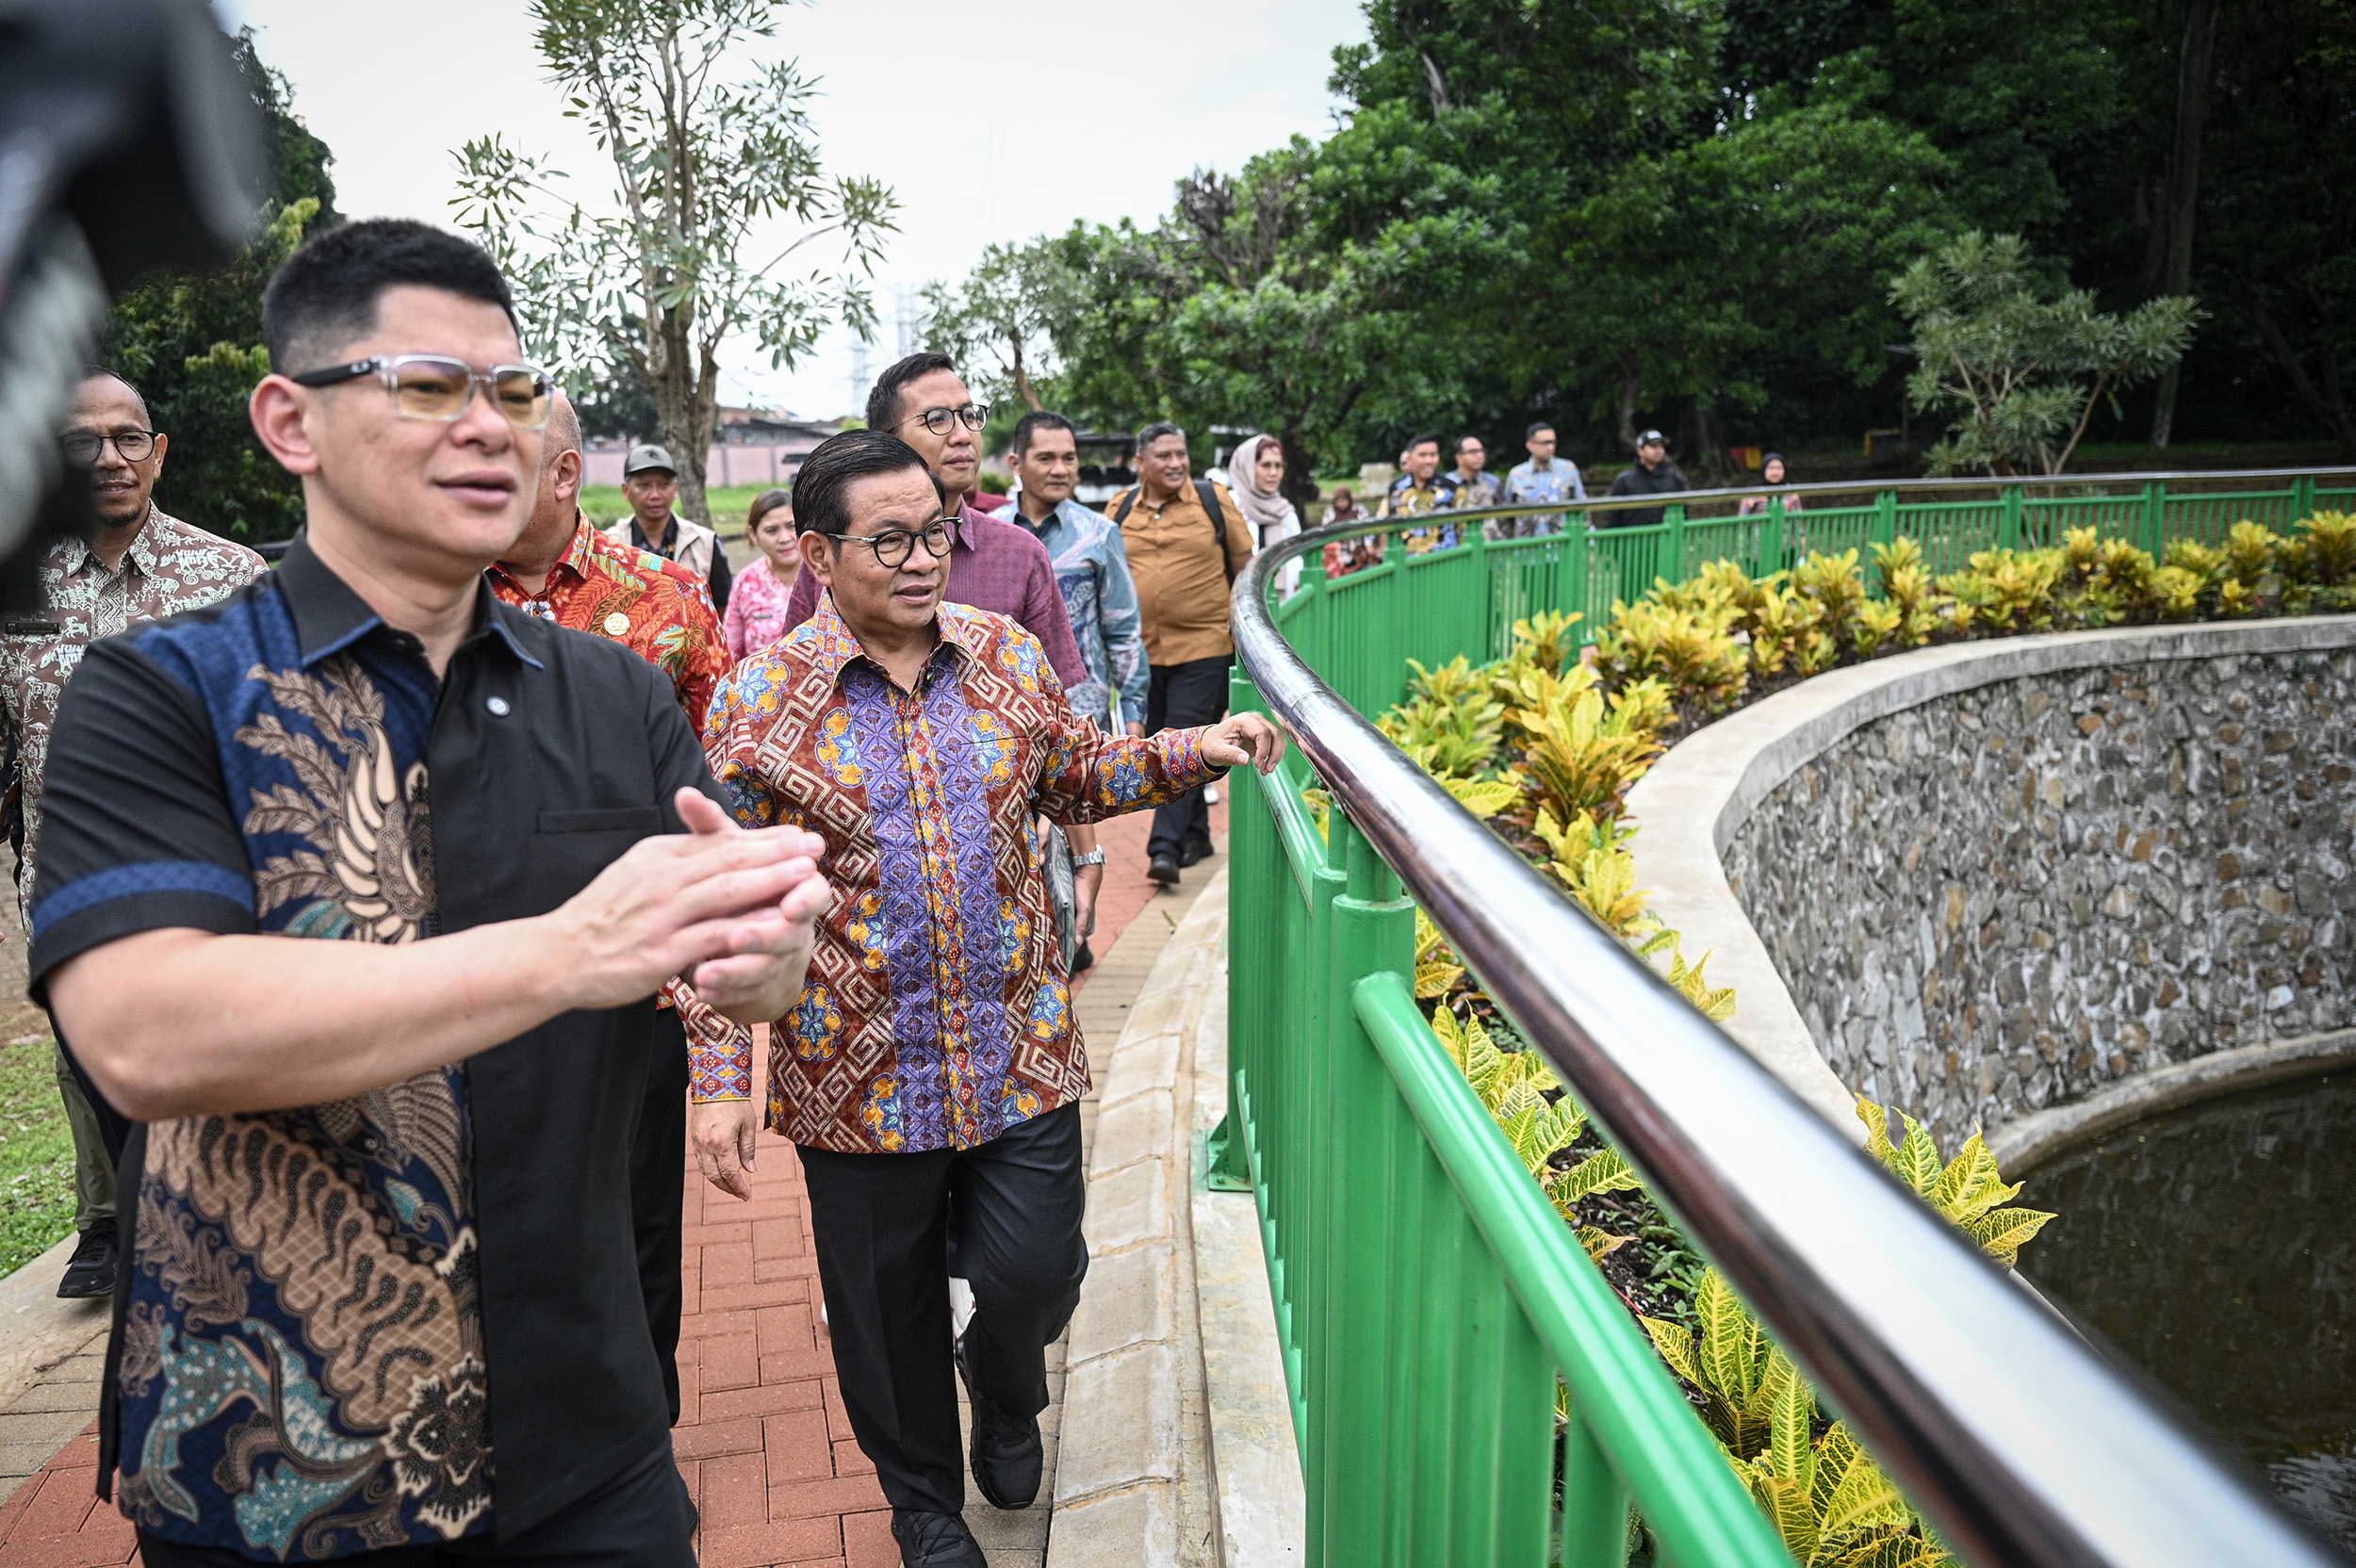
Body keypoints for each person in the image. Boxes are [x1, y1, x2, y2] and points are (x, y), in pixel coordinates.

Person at [33, 218, 827, 1564]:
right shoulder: (162, 691)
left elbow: (739, 950)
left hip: (593, 1436)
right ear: (292, 422)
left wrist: (763, 963)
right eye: (427, 386)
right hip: (280, 1464)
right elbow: (143, 1032)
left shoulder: (614, 693)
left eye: (513, 391)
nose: (491, 426)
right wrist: (575, 948)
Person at [700, 429, 1286, 1568]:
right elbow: (720, 907)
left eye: (936, 533)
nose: (923, 559)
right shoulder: (759, 701)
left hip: (1017, 1046)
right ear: (818, 554)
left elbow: (1072, 771)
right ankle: (923, 1504)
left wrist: (1195, 748)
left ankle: (1007, 1386)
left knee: (1035, 1271)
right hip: (853, 1082)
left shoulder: (1004, 654)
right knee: (884, 1318)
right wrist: (721, 1081)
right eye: (891, 540)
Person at [485, 387, 739, 1429]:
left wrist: (714, 1023)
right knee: (502, 1218)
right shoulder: (433, 599)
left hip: (641, 981)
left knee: (637, 1217)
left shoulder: (670, 598)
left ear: (558, 474)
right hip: (485, 975)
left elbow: (716, 804)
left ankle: (643, 1432)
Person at [0, 369, 266, 1301]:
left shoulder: (233, 577)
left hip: (211, 888)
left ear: (158, 453)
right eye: (84, 442)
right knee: (100, 1076)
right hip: (69, 888)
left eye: (127, 438)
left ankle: (221, 1252)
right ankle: (128, 1241)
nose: (108, 458)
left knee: (216, 1078)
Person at [780, 353, 1088, 694]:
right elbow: (797, 676)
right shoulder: (841, 553)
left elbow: (1053, 700)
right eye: (937, 419)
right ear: (886, 438)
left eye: (969, 416)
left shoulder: (1020, 554)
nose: (963, 435)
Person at [1001, 412, 1149, 970]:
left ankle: (1072, 930)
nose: (1060, 469)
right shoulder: (986, 534)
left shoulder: (1098, 534)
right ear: (1016, 463)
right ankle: (1031, 937)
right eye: (1046, 458)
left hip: (1079, 707)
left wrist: (1133, 710)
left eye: (1069, 458)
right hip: (1005, 710)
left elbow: (1123, 628)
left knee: (1074, 827)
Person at [1104, 422, 1253, 888]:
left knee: (1184, 737)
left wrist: (1242, 630)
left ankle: (1163, 847)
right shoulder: (1120, 508)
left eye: (1181, 454)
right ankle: (1197, 836)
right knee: (1160, 738)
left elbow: (1244, 563)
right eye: (1164, 456)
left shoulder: (1213, 500)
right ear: (1140, 463)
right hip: (1143, 654)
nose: (1175, 463)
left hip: (1205, 644)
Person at [608, 442, 733, 615]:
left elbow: (723, 605)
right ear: (626, 491)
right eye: (644, 486)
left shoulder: (705, 542)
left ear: (675, 489)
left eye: (664, 485)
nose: (655, 495)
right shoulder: (609, 545)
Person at [724, 486, 800, 659]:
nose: (785, 538)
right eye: (772, 530)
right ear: (753, 534)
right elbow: (730, 653)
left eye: (791, 526)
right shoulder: (747, 582)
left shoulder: (826, 576)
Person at [1227, 433, 1301, 597]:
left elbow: (1296, 564)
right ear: (1246, 467)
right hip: (1236, 604)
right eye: (1265, 465)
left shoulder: (1285, 512)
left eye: (1278, 465)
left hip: (1283, 608)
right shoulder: (1230, 506)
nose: (1274, 472)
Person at [1502, 420, 1586, 538]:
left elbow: (1583, 508)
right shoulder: (1517, 474)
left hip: (1561, 544)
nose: (1550, 447)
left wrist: (1589, 541)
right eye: (1545, 443)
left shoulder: (1568, 470)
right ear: (1530, 445)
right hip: (1527, 548)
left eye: (1553, 442)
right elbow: (1506, 515)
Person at [1607, 429, 1689, 529]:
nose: (1659, 450)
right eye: (1653, 446)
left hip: (1664, 539)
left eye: (1661, 446)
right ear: (1640, 451)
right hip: (1633, 540)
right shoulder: (1625, 480)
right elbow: (1613, 516)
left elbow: (1683, 509)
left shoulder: (1672, 477)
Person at [1383, 434, 1448, 552]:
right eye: (1422, 455)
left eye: (1433, 455)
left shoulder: (1449, 488)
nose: (1429, 461)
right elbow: (1389, 526)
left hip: (1445, 560)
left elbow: (1463, 529)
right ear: (1410, 458)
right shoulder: (1397, 488)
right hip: (1407, 560)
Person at [1433, 433, 1501, 524]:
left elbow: (1503, 518)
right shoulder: (1446, 484)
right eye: (1474, 452)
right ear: (1459, 457)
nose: (1480, 455)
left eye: (1481, 451)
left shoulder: (1493, 482)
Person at [1320, 485, 1383, 578]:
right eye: (1338, 501)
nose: (1341, 504)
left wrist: (1368, 543)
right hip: (1339, 551)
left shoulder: (1359, 510)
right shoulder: (1331, 513)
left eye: (1344, 501)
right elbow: (1325, 530)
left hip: (1358, 551)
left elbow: (1368, 528)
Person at [1738, 452, 1805, 515]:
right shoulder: (1753, 493)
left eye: (1779, 468)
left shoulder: (1791, 492)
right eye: (1771, 468)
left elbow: (1798, 520)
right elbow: (1742, 522)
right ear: (1764, 470)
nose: (1775, 473)